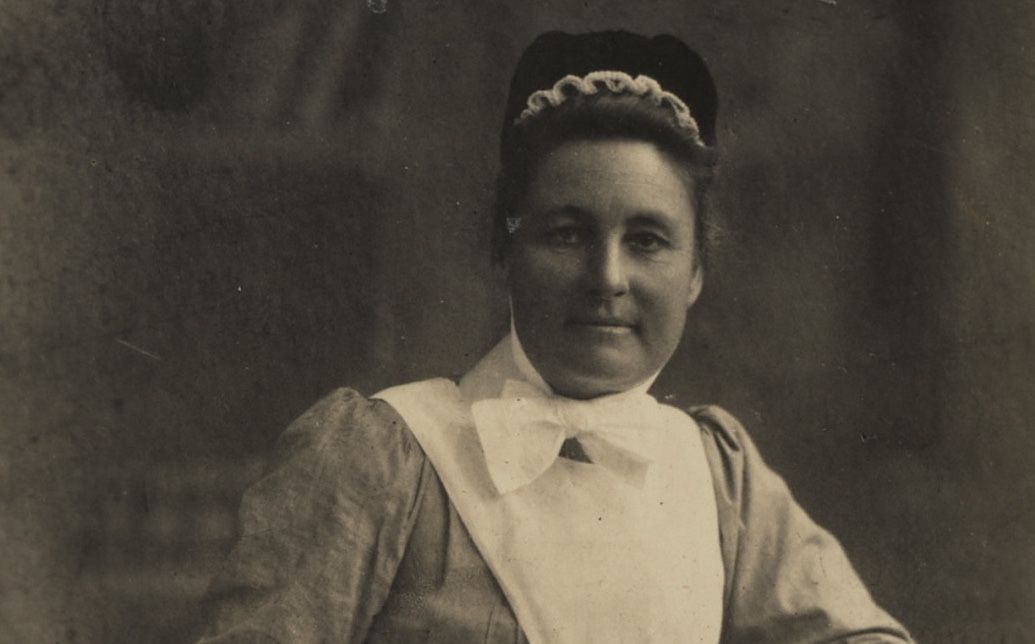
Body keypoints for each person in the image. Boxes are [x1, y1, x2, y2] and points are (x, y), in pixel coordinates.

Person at [196, 30, 914, 643]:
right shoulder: (384, 459)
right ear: (504, 249)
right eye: (567, 234)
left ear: (696, 271)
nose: (606, 277)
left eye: (647, 240)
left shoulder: (717, 476)